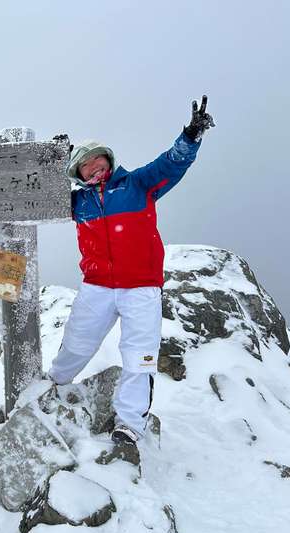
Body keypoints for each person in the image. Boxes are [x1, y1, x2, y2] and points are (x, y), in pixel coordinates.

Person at [47, 96, 215, 455]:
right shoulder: (78, 202)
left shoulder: (137, 184)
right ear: (78, 175)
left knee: (139, 356)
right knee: (76, 343)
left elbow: (171, 163)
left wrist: (190, 136)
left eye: (98, 161)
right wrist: (54, 161)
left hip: (141, 288)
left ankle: (129, 423)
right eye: (85, 166)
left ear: (109, 160)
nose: (94, 168)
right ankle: (54, 387)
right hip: (97, 287)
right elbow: (39, 197)